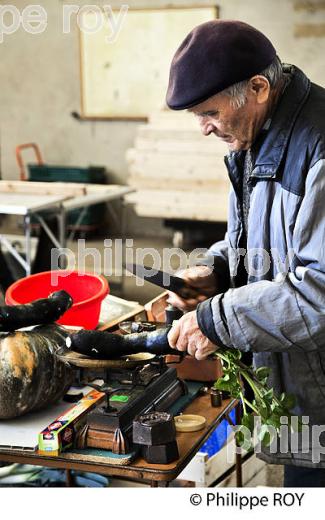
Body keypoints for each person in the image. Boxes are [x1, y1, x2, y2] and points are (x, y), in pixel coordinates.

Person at [165, 19, 325, 487]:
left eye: (208, 112)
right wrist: (218, 270)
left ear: (257, 87)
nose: (203, 128)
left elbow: (319, 290)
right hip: (306, 388)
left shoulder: (318, 147)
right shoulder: (261, 133)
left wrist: (218, 319)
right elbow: (263, 242)